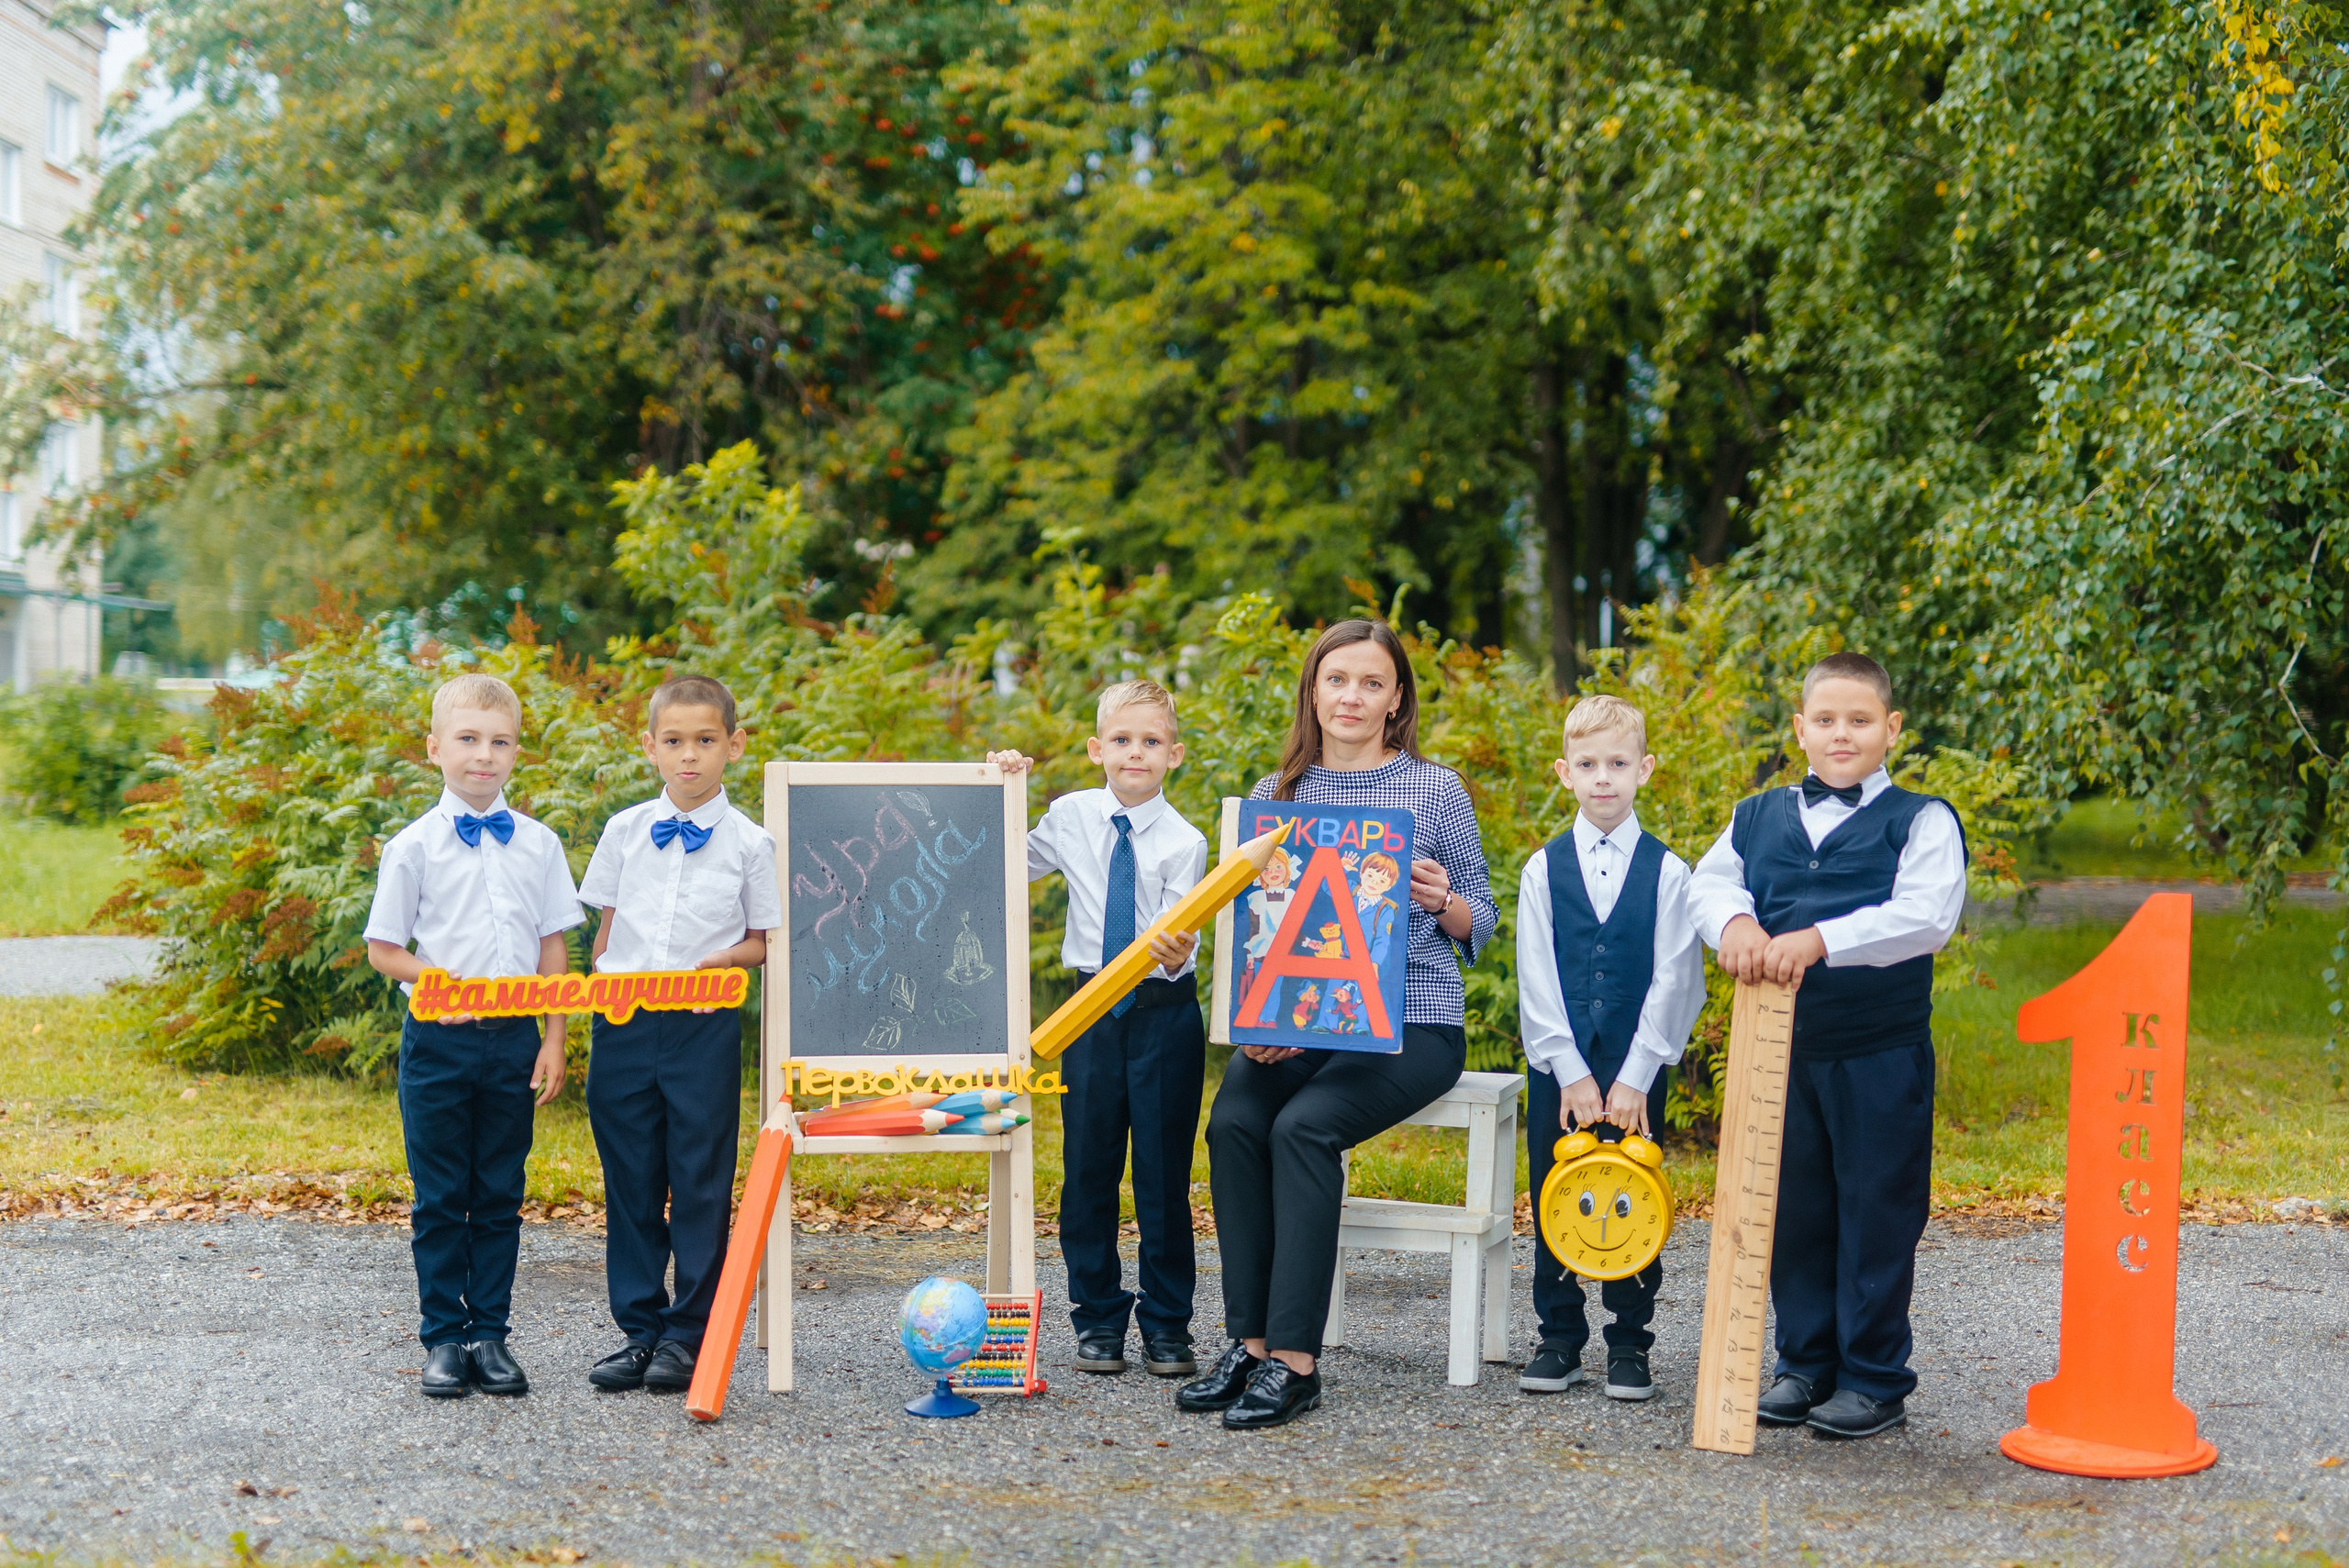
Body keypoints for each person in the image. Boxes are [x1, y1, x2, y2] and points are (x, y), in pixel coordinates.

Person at [1181, 618, 1497, 1430]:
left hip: (1412, 1021)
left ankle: (1295, 1362)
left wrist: (1441, 902)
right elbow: (1256, 931)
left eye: (1371, 682)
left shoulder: (1435, 790)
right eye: (1336, 679)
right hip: (1299, 1022)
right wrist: (1257, 1018)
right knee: (1237, 1120)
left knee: (1304, 1127)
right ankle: (1249, 1344)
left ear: (1397, 700)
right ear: (1313, 691)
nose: (1351, 696)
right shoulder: (1276, 794)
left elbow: (1484, 920)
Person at [1687, 651, 1966, 1439]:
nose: (1842, 734)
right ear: (1799, 728)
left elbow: (1926, 916)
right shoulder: (1757, 815)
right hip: (1782, 1049)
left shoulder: (1922, 819)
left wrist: (1819, 938)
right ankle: (1804, 1363)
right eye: (1826, 720)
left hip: (1878, 1051)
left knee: (1877, 1208)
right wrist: (1735, 923)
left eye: (1860, 720)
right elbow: (1708, 883)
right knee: (1794, 1206)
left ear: (1892, 728)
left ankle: (1875, 1377)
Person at [364, 673, 585, 1399]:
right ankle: (442, 1338)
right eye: (467, 739)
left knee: (498, 1189)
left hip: (515, 1039)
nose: (482, 755)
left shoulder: (540, 844)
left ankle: (489, 1333)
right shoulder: (413, 846)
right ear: (435, 748)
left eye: (498, 741)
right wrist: (435, 981)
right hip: (439, 1041)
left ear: (517, 751)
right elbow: (384, 947)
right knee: (439, 1194)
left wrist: (554, 1039)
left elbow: (554, 947)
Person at [987, 681, 1209, 1378]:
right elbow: (1001, 863)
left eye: (1150, 741)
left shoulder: (1186, 841)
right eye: (1121, 739)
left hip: (1161, 1009)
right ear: (1096, 749)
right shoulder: (1071, 814)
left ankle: (1168, 1324)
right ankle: (1098, 1318)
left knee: (1162, 1174)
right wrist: (1001, 788)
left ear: (1173, 754)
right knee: (1087, 1165)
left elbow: (1184, 936)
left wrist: (1177, 950)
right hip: (1089, 1013)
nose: (1134, 752)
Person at [577, 675, 781, 1395]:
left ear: (734, 744)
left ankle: (688, 1334)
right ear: (651, 747)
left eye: (704, 741)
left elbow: (761, 940)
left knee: (698, 1178)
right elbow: (603, 931)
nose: (689, 756)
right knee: (630, 1178)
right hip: (626, 1024)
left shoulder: (754, 843)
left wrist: (727, 958)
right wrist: (603, 976)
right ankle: (640, 1328)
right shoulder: (624, 830)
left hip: (702, 1027)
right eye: (673, 741)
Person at [1513, 695, 1704, 1401]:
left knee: (1632, 1192)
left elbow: (1676, 976)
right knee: (1554, 1191)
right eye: (1588, 764)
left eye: (1618, 763)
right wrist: (1566, 1068)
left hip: (1634, 1071)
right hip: (1558, 1075)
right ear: (1565, 772)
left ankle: (1630, 1342)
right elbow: (1535, 975)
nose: (1604, 778)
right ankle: (1558, 1337)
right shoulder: (1543, 869)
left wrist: (1635, 1074)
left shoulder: (1669, 871)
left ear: (1644, 769)